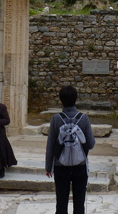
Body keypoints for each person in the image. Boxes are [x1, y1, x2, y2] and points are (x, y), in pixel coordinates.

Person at [45, 85, 95, 214]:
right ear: (76, 99)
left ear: (61, 100)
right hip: (80, 165)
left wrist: (48, 167)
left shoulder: (56, 119)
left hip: (60, 165)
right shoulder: (84, 118)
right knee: (79, 204)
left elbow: (50, 145)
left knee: (61, 203)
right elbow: (91, 144)